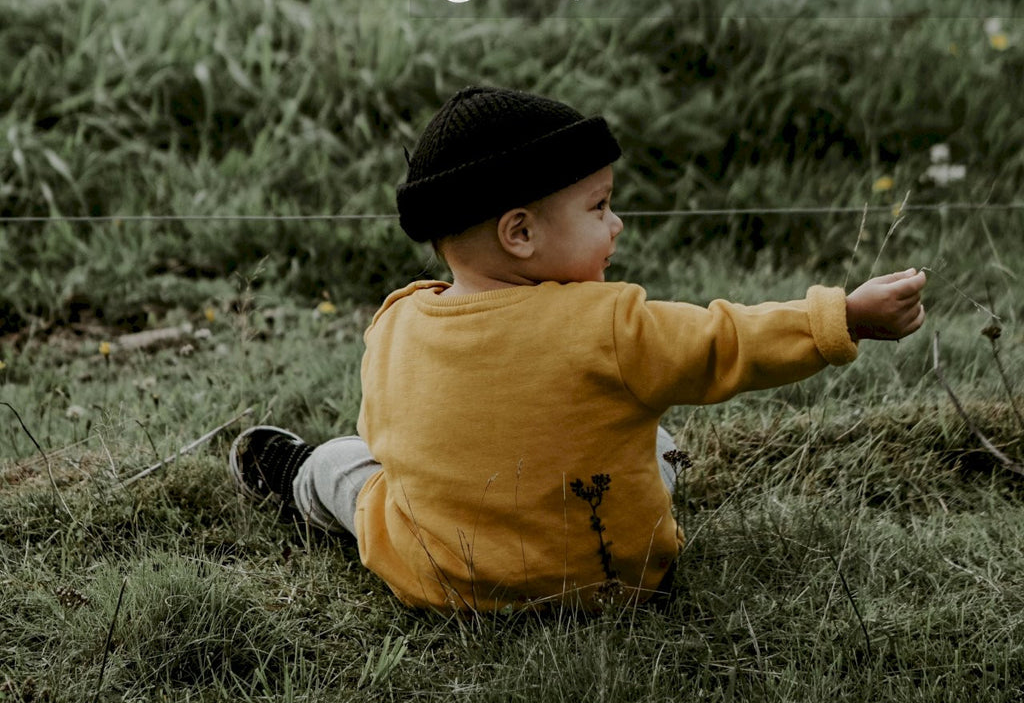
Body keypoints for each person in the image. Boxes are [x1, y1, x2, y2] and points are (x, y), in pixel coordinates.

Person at [228, 84, 927, 615]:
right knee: (652, 441)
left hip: (441, 577)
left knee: (352, 466)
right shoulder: (612, 325)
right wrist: (845, 317)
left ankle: (294, 473)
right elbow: (729, 339)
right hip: (612, 576)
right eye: (598, 207)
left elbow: (388, 439)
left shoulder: (397, 325)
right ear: (520, 234)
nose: (616, 225)